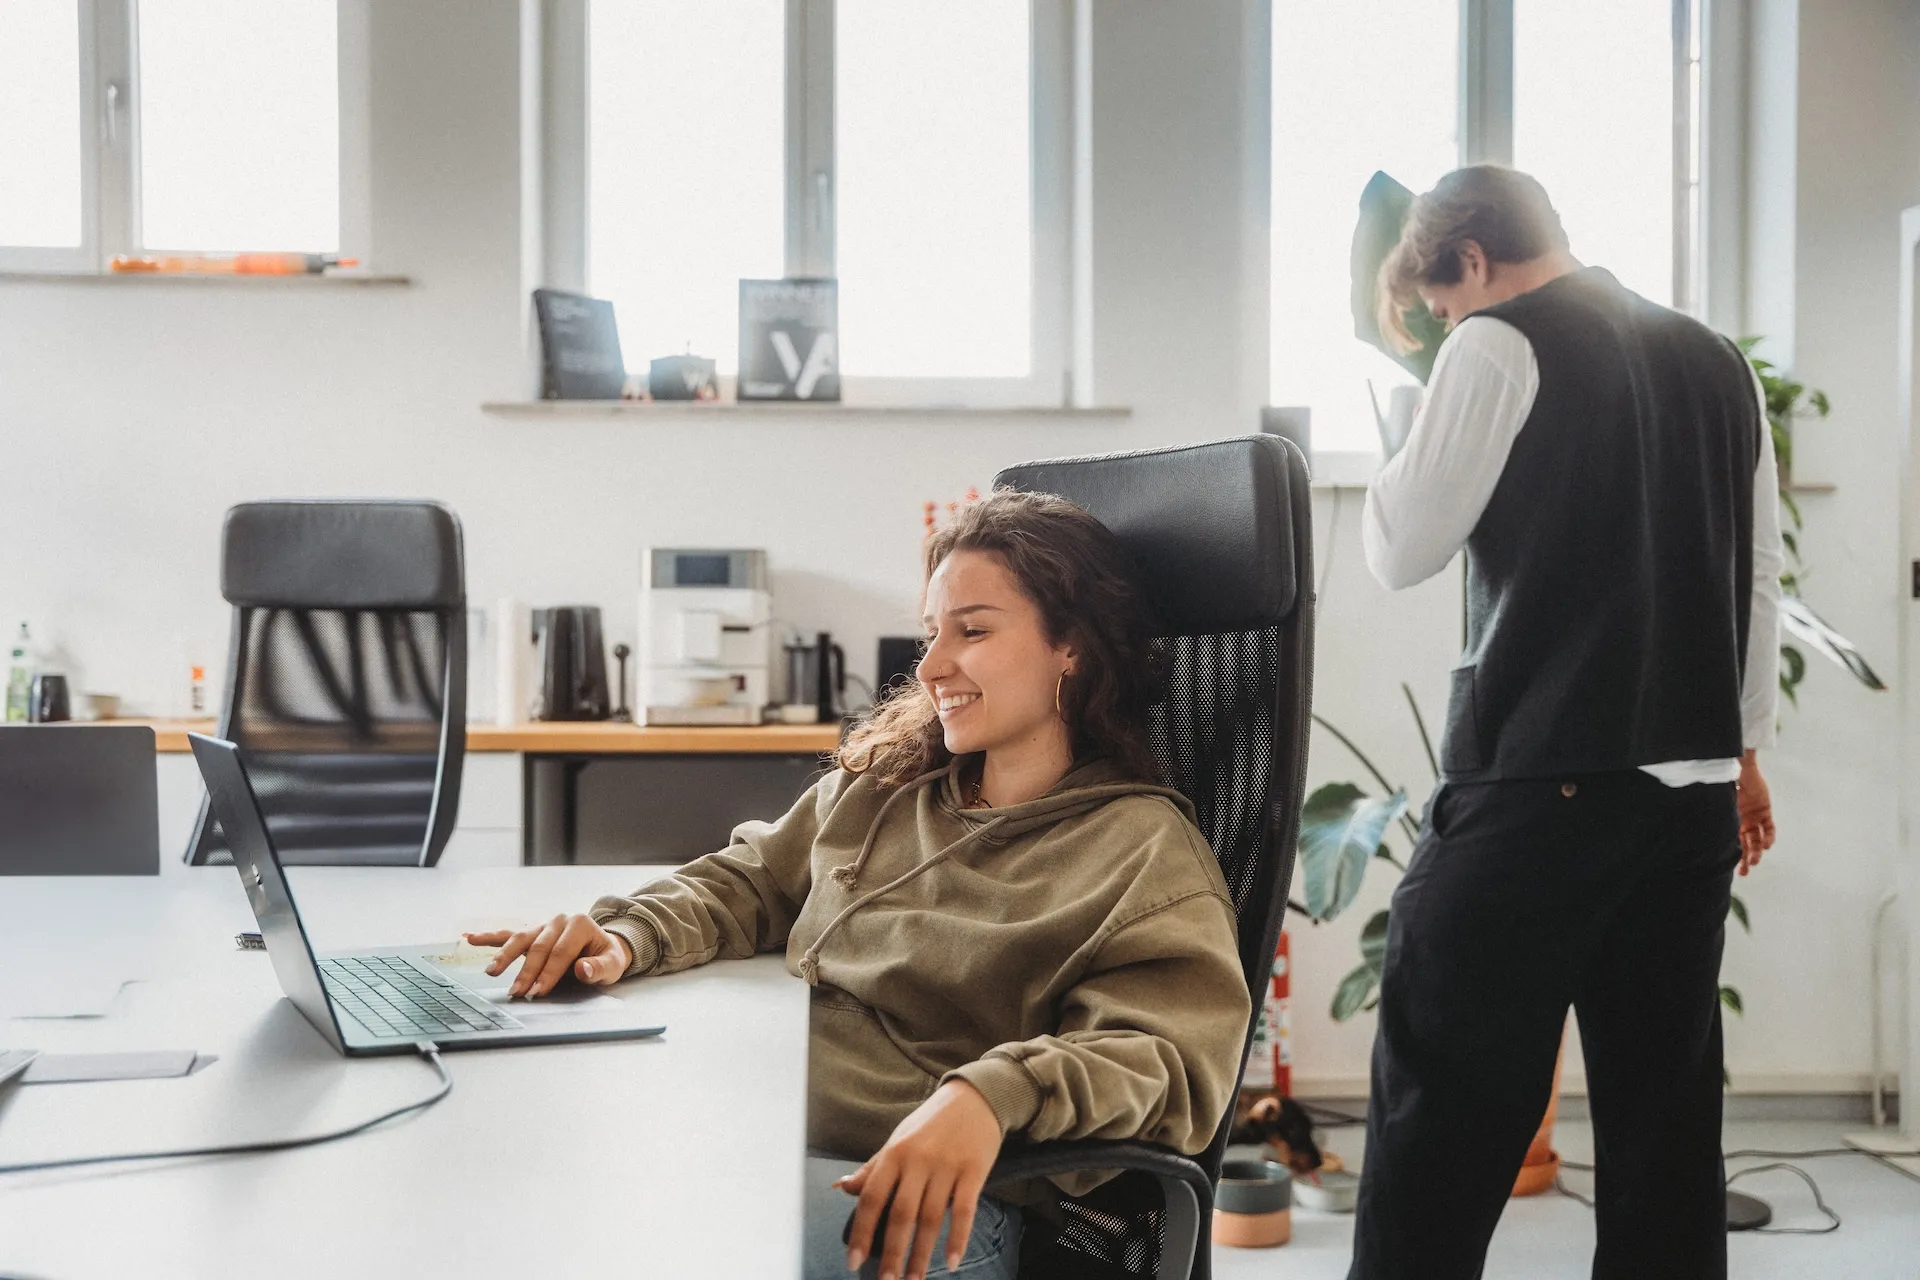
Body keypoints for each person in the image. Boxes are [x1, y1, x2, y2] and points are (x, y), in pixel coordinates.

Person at [467, 490, 1249, 1280]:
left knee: (625, 1240)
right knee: (516, 1165)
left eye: (973, 631)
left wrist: (990, 1095)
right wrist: (629, 933)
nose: (934, 666)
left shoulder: (1140, 852)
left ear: (1071, 647)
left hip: (916, 1197)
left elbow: (1167, 1062)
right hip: (762, 1120)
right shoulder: (896, 785)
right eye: (932, 633)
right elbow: (757, 880)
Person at [1350, 165, 1782, 1280]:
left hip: (1541, 788)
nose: (1448, 322)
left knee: (1436, 1123)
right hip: (1686, 798)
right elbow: (1760, 580)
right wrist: (1742, 754)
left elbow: (1400, 549)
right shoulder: (1719, 363)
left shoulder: (1495, 343)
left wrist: (1417, 391)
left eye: (1442, 303)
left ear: (1474, 261)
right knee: (1665, 1131)